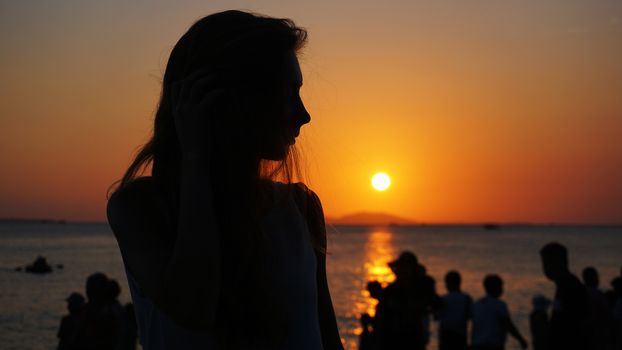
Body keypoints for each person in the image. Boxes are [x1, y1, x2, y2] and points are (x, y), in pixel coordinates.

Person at [106, 10, 343, 350]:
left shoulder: (301, 209)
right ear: (232, 98)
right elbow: (194, 306)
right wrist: (196, 159)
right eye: (288, 92)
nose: (304, 115)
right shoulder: (141, 209)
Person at [373, 251, 436, 350]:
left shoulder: (421, 288)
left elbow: (435, 304)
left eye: (407, 267)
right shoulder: (390, 291)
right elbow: (381, 320)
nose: (404, 271)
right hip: (393, 341)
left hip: (414, 339)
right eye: (402, 267)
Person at [539, 242, 588, 350]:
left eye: (547, 263)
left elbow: (569, 324)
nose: (545, 269)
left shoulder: (569, 286)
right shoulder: (565, 284)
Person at [471, 274, 528, 350]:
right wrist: (520, 339)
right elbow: (507, 324)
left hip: (477, 344)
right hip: (493, 345)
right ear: (497, 288)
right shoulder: (500, 305)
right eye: (501, 286)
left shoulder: (476, 304)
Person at [436, 270, 472, 350]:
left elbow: (437, 317)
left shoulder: (443, 299)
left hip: (445, 336)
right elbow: (471, 316)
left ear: (447, 284)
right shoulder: (466, 298)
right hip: (461, 335)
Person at [582, 266, 613, 349]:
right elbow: (608, 314)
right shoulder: (598, 295)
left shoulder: (580, 294)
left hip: (584, 335)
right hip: (597, 335)